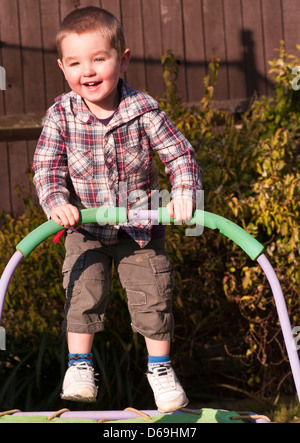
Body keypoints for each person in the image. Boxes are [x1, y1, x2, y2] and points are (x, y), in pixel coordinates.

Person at [33, 6, 203, 413]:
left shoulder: (143, 110)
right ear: (62, 67)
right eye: (74, 63)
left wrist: (183, 195)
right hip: (86, 229)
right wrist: (57, 202)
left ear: (122, 59)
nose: (87, 71)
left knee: (153, 297)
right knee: (83, 292)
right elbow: (46, 167)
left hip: (140, 230)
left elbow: (180, 157)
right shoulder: (61, 115)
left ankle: (160, 369)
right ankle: (79, 365)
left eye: (98, 59)